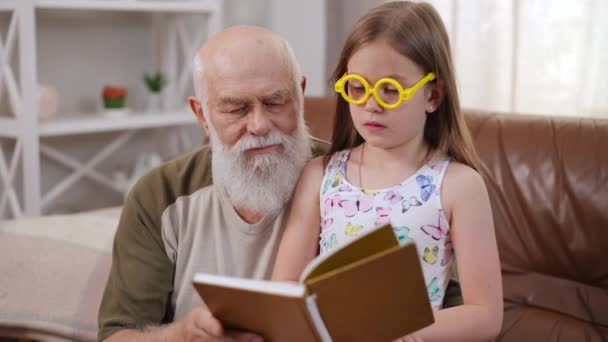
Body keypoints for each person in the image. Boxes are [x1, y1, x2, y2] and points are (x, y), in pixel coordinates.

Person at [98, 24, 463, 342]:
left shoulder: (358, 178)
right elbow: (118, 335)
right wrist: (181, 336)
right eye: (235, 108)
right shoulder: (159, 196)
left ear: (300, 95)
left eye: (275, 102)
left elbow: (443, 302)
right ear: (202, 114)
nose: (259, 125)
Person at [272, 1, 503, 341]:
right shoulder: (319, 175)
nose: (371, 104)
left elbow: (486, 316)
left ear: (433, 95)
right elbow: (283, 291)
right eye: (357, 88)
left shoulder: (458, 186)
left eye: (390, 90)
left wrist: (409, 333)